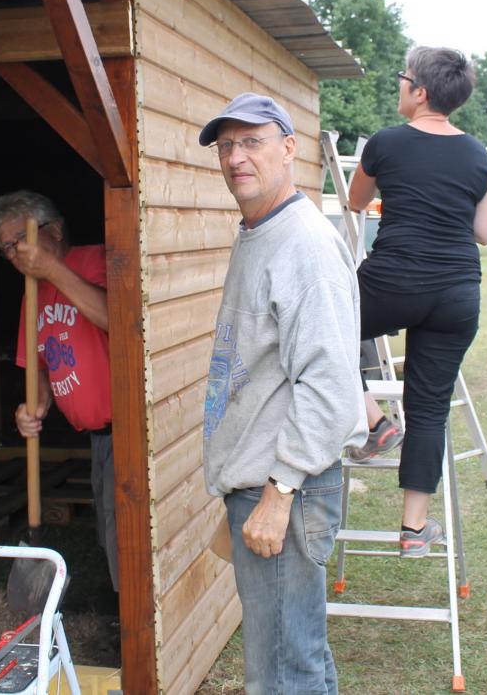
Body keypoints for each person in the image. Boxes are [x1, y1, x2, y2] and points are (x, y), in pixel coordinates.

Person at [200, 92, 367, 694]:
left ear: (289, 148)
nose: (236, 157)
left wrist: (278, 494)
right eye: (226, 146)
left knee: (279, 674)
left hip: (281, 487)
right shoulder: (259, 233)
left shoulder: (304, 245)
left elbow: (327, 385)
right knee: (297, 655)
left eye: (252, 141)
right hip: (258, 482)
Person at [346, 46, 487, 557]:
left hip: (395, 280)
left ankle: (374, 422)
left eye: (402, 77)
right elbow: (484, 232)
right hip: (457, 292)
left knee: (319, 330)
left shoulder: (386, 144)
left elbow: (354, 200)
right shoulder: (479, 155)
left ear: (421, 91)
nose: (399, 85)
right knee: (430, 407)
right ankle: (414, 529)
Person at [0, 190, 119, 593]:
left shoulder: (99, 260)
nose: (14, 254)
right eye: (5, 248)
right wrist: (32, 409)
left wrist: (51, 270)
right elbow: (37, 373)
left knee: (123, 532)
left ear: (54, 230)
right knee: (109, 529)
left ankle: (131, 632)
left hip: (132, 432)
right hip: (98, 437)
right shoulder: (32, 293)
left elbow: (116, 317)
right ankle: (122, 613)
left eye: (19, 241)